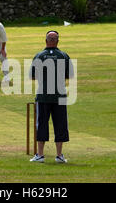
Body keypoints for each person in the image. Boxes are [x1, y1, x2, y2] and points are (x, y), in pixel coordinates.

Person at [29, 30, 74, 163]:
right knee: (60, 124)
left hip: (43, 96)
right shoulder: (64, 56)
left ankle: (40, 155)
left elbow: (32, 76)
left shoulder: (39, 56)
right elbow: (69, 75)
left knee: (41, 124)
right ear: (57, 41)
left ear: (46, 41)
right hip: (59, 95)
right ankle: (59, 155)